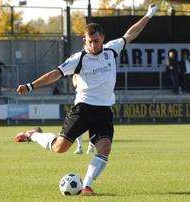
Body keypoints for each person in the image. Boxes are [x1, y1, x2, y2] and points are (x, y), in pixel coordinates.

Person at [14, 4, 157, 195]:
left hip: (104, 110)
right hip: (83, 108)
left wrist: (149, 14)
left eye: (96, 41)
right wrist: (31, 86)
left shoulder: (111, 50)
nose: (92, 45)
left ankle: (87, 186)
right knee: (60, 148)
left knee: (104, 148)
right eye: (89, 41)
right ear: (84, 40)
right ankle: (33, 134)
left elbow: (131, 33)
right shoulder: (78, 58)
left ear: (103, 39)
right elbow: (55, 74)